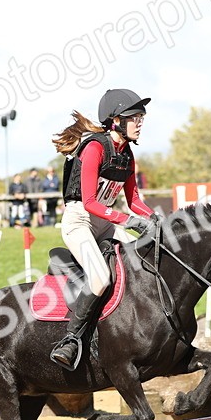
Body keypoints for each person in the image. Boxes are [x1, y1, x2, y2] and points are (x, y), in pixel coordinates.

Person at [48, 88, 158, 369]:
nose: (140, 123)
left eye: (141, 117)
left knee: (142, 259)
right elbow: (89, 202)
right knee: (100, 278)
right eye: (135, 117)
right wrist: (126, 221)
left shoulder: (127, 155)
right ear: (116, 120)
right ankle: (71, 340)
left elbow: (134, 201)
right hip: (79, 222)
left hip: (105, 223)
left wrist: (155, 218)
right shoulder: (95, 148)